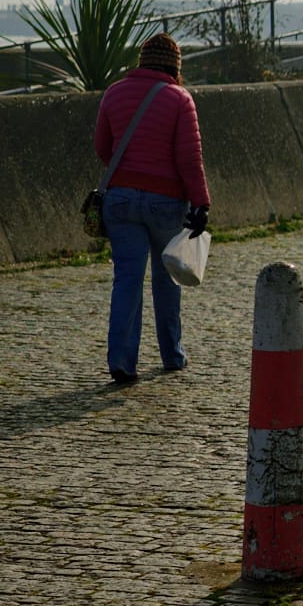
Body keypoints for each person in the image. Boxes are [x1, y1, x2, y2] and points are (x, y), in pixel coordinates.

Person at [94, 33, 210, 384]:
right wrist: (201, 202)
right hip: (165, 202)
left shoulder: (114, 93)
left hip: (121, 200)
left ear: (142, 62)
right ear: (175, 68)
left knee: (127, 279)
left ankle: (122, 362)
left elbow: (103, 147)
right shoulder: (179, 99)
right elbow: (189, 159)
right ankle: (171, 354)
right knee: (167, 277)